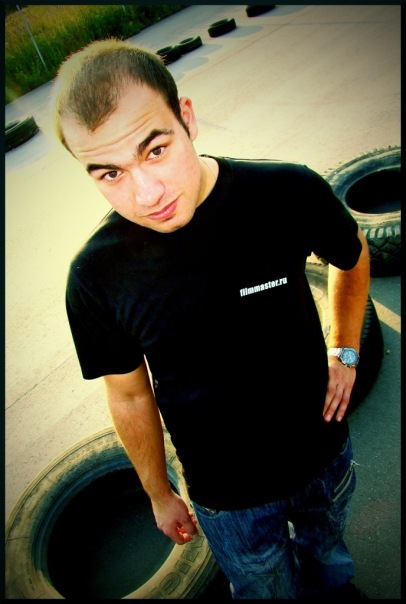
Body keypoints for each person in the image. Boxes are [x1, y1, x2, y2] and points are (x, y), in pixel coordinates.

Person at [51, 39, 370, 599]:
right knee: (263, 589)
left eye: (155, 150)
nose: (146, 194)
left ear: (187, 118)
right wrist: (158, 492)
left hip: (322, 453)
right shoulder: (96, 276)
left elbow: (352, 253)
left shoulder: (285, 192)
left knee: (330, 561)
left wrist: (344, 349)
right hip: (227, 498)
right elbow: (129, 395)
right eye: (109, 173)